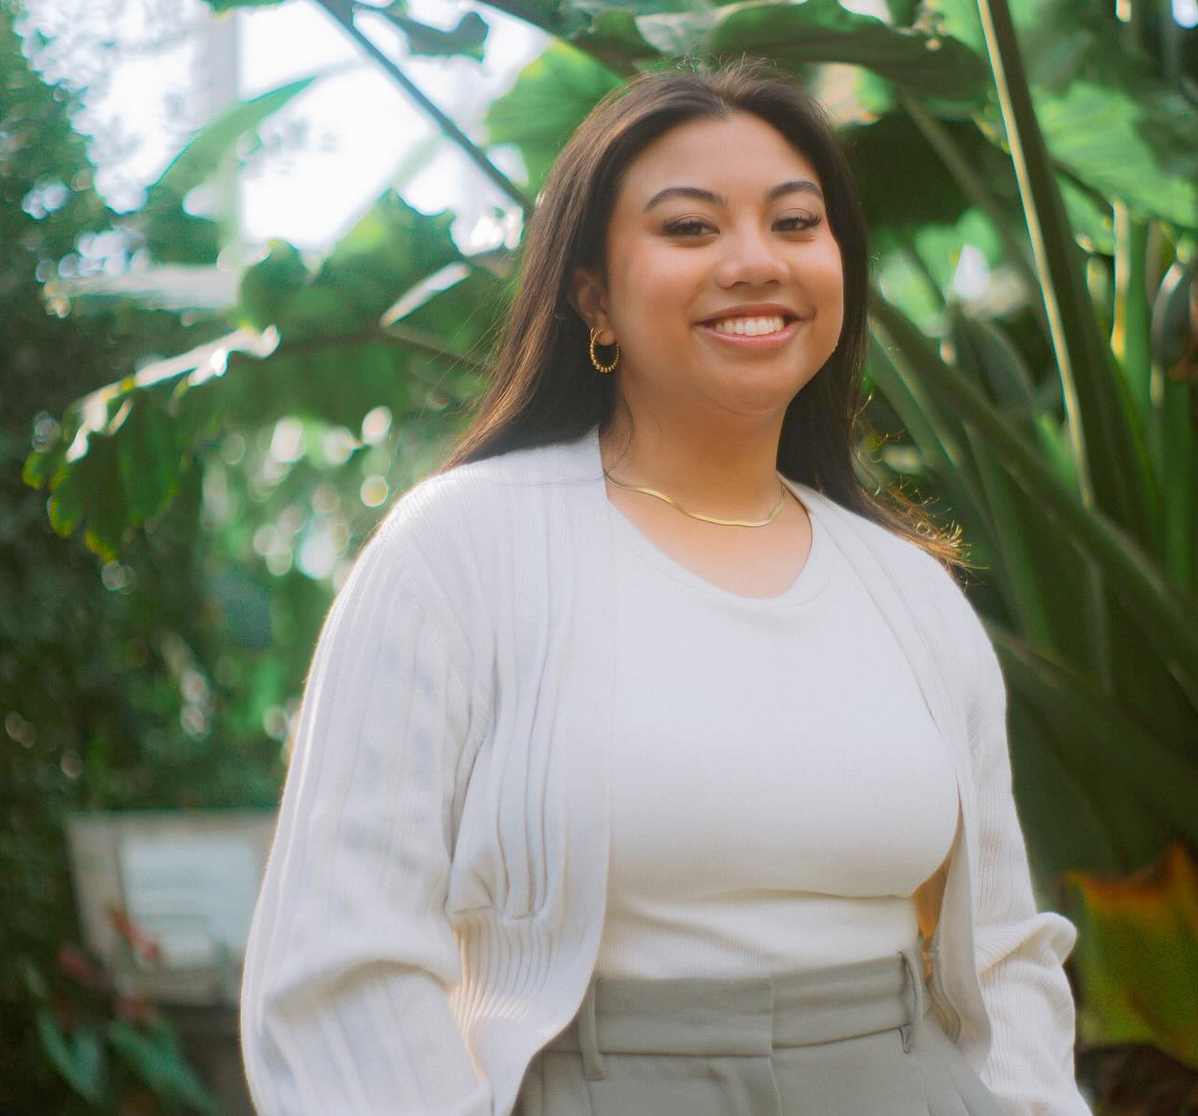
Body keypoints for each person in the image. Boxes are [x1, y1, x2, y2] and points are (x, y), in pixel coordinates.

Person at [239, 62, 1093, 1116]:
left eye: (795, 224)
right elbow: (340, 958)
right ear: (590, 291)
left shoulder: (906, 593)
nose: (753, 262)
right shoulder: (458, 554)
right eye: (690, 229)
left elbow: (1001, 950)